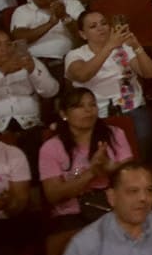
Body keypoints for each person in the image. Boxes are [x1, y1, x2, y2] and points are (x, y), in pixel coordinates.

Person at [64, 10, 152, 162]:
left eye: (104, 23)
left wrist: (136, 46)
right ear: (83, 34)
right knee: (109, 156)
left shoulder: (124, 48)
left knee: (143, 148)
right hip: (98, 115)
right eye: (93, 26)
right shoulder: (75, 55)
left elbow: (150, 73)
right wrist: (109, 46)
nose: (101, 28)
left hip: (134, 108)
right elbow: (83, 75)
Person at [37, 87, 133, 225]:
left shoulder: (115, 134)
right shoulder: (51, 147)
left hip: (114, 207)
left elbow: (133, 176)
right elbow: (53, 195)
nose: (88, 110)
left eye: (92, 104)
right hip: (72, 215)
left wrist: (110, 168)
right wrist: (92, 172)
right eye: (79, 106)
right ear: (64, 114)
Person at [0, 27, 60, 132]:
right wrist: (1, 72)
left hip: (31, 125)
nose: (4, 49)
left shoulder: (29, 62)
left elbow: (51, 91)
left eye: (8, 44)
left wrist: (33, 71)